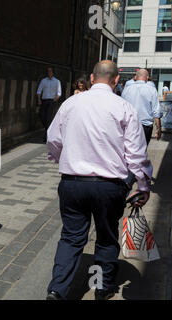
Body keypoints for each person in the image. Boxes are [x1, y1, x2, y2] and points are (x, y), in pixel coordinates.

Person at [45, 60, 153, 300]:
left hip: (72, 182)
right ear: (116, 81)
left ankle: (57, 290)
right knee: (106, 236)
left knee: (71, 237)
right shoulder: (124, 108)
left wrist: (61, 157)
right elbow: (136, 153)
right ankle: (102, 288)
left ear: (92, 79)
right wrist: (143, 186)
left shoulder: (70, 104)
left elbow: (53, 138)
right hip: (109, 186)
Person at [121, 69, 162, 146]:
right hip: (145, 127)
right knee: (142, 152)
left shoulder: (127, 89)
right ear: (147, 77)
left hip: (129, 126)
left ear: (135, 77)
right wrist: (158, 129)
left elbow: (121, 108)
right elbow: (156, 112)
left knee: (128, 150)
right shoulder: (152, 90)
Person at [37, 66, 62, 142]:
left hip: (51, 101)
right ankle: (48, 130)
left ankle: (46, 136)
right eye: (48, 71)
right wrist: (39, 100)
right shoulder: (43, 81)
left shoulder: (57, 81)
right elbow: (39, 91)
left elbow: (59, 92)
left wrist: (55, 99)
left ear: (53, 72)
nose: (49, 72)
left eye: (50, 71)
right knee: (41, 116)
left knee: (48, 118)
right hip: (44, 100)